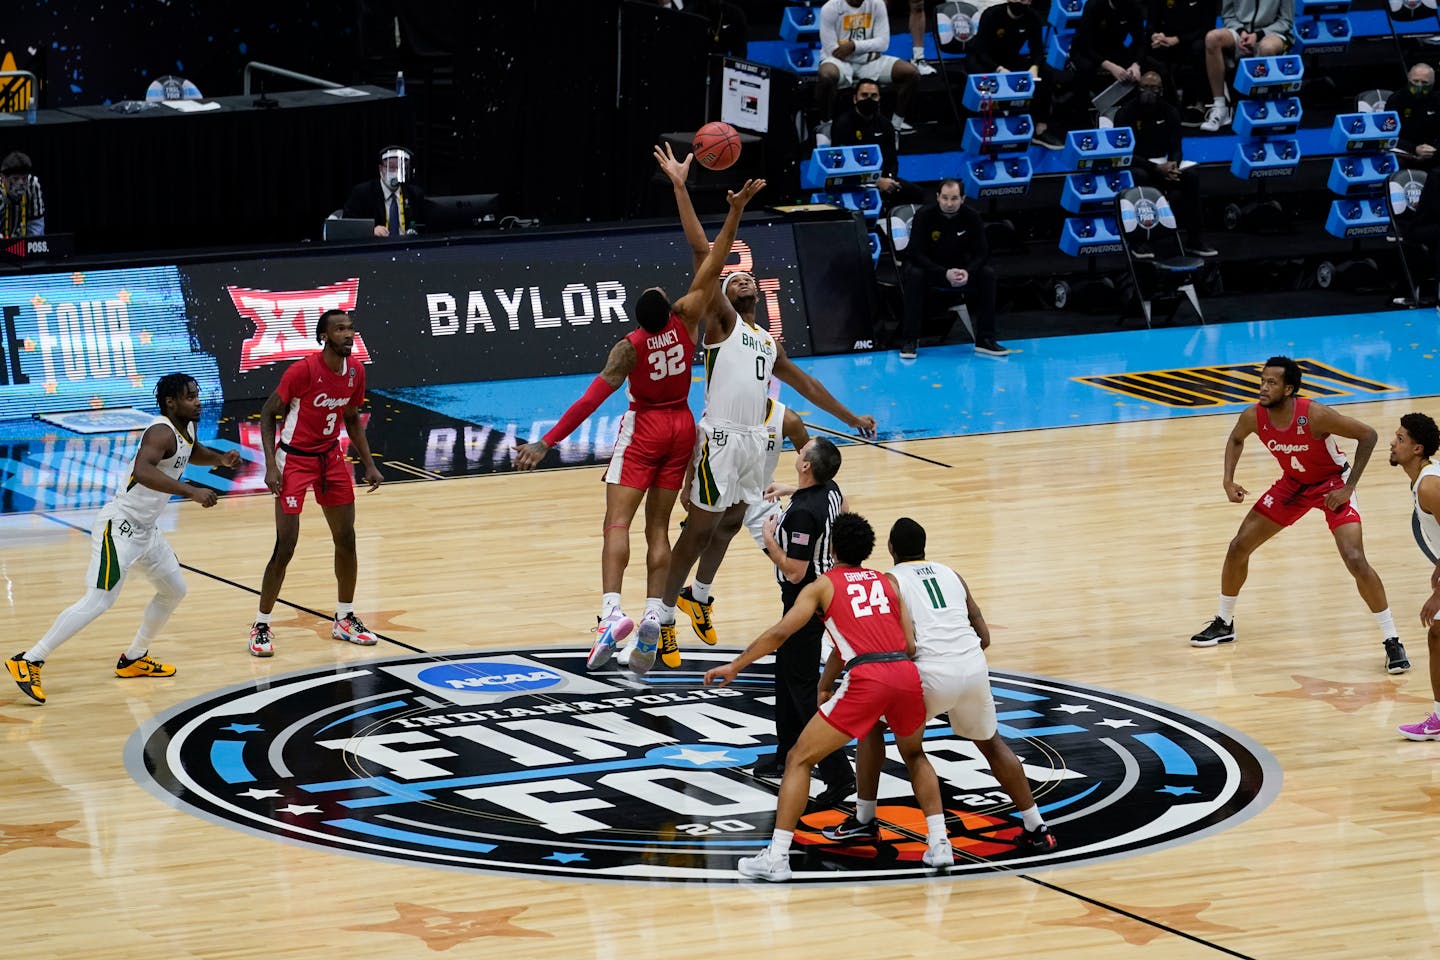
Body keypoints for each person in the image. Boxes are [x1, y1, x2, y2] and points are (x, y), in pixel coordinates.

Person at [514, 150, 764, 670]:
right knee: (658, 528)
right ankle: (655, 612)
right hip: (683, 427)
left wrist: (547, 441)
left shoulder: (629, 348)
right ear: (664, 307)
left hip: (647, 427)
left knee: (616, 524)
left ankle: (611, 613)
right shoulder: (687, 315)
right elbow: (712, 259)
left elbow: (592, 398)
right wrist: (730, 210)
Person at [631, 183, 878, 673]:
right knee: (697, 533)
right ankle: (656, 618)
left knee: (727, 523)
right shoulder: (721, 322)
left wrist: (849, 417)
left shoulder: (767, 342)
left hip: (753, 445)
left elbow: (805, 382)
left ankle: (696, 598)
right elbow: (705, 251)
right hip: (720, 439)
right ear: (722, 292)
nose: (744, 279)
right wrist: (720, 204)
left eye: (749, 278)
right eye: (735, 278)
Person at [704, 513, 954, 880]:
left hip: (869, 678)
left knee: (799, 758)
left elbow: (780, 633)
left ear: (832, 546)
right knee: (915, 754)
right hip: (905, 674)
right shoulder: (889, 583)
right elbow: (909, 643)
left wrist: (737, 665)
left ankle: (777, 857)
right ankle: (940, 843)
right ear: (869, 549)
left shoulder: (822, 586)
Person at [822, 517, 1058, 853]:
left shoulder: (890, 580)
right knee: (992, 745)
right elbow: (984, 635)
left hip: (929, 673)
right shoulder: (951, 574)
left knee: (885, 734)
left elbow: (901, 643)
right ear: (924, 546)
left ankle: (867, 821)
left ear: (890, 549)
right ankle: (1036, 825)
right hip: (973, 666)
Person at [5, 374, 241, 705]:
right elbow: (143, 471)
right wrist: (191, 490)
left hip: (147, 531)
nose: (198, 402)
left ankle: (133, 658)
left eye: (197, 396)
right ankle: (29, 659)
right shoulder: (160, 431)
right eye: (190, 397)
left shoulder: (186, 428)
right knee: (100, 599)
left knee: (174, 590)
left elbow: (189, 451)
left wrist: (218, 459)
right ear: (171, 402)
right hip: (121, 526)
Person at [1189, 356, 1409, 675]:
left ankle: (1392, 639)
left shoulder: (1315, 414)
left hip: (1332, 484)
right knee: (1238, 547)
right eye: (1262, 381)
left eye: (1271, 383)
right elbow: (1236, 439)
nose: (1263, 387)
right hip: (1293, 485)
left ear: (1289, 389)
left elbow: (1369, 435)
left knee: (1355, 559)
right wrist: (1227, 480)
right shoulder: (1253, 415)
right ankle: (1225, 622)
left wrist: (1348, 488)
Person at [249, 309, 385, 658]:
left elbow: (352, 416)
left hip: (330, 458)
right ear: (324, 336)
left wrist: (368, 464)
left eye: (351, 328)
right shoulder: (303, 370)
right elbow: (267, 414)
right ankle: (262, 623)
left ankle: (344, 617)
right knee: (286, 547)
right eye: (339, 329)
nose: (348, 334)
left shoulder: (356, 370)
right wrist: (270, 466)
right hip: (292, 461)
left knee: (347, 539)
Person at [750, 437, 856, 804]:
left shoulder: (801, 515)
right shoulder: (830, 491)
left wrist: (768, 541)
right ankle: (786, 755)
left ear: (807, 465)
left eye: (802, 450)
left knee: (801, 686)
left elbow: (794, 571)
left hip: (804, 599)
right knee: (787, 677)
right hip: (825, 590)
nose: (798, 452)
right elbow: (834, 503)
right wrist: (791, 489)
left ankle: (839, 774)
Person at [899, 178, 1006, 360]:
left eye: (954, 198)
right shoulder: (924, 215)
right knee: (915, 274)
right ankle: (910, 340)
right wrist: (943, 273)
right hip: (931, 270)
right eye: (945, 198)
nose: (949, 203)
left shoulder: (972, 216)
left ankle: (985, 339)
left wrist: (968, 271)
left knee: (987, 274)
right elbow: (915, 253)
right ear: (938, 197)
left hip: (959, 271)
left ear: (963, 199)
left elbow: (982, 252)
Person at [1114, 71, 1217, 257]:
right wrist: (1155, 168)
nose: (1148, 92)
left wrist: (1173, 165)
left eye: (1153, 88)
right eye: (1144, 87)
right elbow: (1124, 153)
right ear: (1138, 89)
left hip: (1163, 166)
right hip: (1138, 165)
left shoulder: (1170, 111)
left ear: (1161, 91)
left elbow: (1176, 147)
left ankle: (1195, 240)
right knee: (1140, 176)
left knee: (1192, 176)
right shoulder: (1125, 113)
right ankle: (1139, 242)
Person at [1390, 414, 1440, 740]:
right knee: (1437, 636)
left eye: (1401, 439)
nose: (1393, 443)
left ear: (1417, 448)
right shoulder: (1422, 479)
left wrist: (1438, 594)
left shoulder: (1430, 485)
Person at [1048, 0, 1147, 147]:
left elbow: (1140, 40)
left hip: (1113, 48)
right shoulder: (1094, 5)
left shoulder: (1134, 8)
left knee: (1139, 72)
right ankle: (1081, 121)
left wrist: (1136, 65)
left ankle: (1130, 119)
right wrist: (1111, 67)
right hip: (1085, 50)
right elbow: (1084, 44)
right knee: (1086, 70)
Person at [816, 0, 920, 136]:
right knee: (826, 75)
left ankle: (895, 127)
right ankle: (826, 127)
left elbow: (883, 43)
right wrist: (869, 52)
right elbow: (832, 50)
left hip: (869, 63)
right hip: (839, 62)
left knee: (911, 73)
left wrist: (854, 46)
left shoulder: (877, 4)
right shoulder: (830, 8)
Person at [967, 0, 1060, 149]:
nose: (1024, 2)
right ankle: (987, 126)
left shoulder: (1033, 17)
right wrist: (998, 69)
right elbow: (981, 51)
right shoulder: (991, 15)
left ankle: (1040, 128)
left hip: (1009, 58)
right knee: (983, 76)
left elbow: (1037, 49)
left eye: (1027, 0)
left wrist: (1034, 66)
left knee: (1046, 72)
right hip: (982, 59)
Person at [1199, 0, 1294, 132]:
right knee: (1212, 38)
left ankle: (1262, 107)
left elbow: (1285, 21)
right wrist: (1241, 32)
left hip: (1271, 34)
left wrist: (1258, 35)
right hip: (1240, 32)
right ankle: (1220, 107)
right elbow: (1228, 16)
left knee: (1267, 48)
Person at [827, 80, 925, 206]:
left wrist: (889, 179)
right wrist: (875, 181)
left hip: (882, 179)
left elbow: (892, 160)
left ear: (879, 99)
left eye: (874, 96)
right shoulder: (842, 124)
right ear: (855, 99)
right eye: (864, 95)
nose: (869, 99)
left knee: (918, 194)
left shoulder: (885, 125)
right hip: (850, 181)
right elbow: (843, 166)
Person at [1142, 0, 1217, 112]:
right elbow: (1151, 22)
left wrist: (1178, 39)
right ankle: (1160, 103)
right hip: (1165, 39)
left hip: (1192, 40)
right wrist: (1155, 35)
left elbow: (1207, 27)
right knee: (1145, 49)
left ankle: (1201, 102)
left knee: (1199, 47)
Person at [342, 145, 426, 237]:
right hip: (375, 247)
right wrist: (370, 230)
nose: (396, 172)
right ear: (380, 169)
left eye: (400, 167)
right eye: (391, 167)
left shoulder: (414, 194)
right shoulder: (362, 193)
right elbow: (347, 226)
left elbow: (424, 226)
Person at [1386, 63, 1439, 164]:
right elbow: (1389, 135)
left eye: (1424, 83)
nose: (1419, 86)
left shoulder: (1437, 100)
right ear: (1409, 79)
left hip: (1432, 151)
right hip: (1406, 152)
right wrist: (1415, 149)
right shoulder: (1396, 100)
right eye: (1415, 81)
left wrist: (1434, 151)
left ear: (1432, 83)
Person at [0, 151, 46, 239]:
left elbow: (36, 229)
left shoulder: (32, 185)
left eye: (24, 178)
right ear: (3, 178)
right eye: (15, 179)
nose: (21, 183)